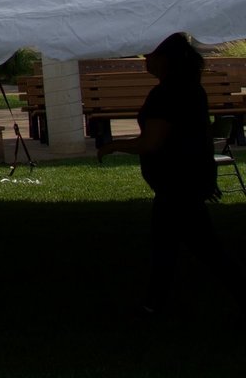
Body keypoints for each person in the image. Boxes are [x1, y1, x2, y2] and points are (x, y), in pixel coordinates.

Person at [98, 33, 239, 315]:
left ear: (165, 59)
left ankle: (155, 304)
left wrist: (114, 146)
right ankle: (154, 303)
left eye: (150, 54)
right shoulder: (192, 89)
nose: (145, 59)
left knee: (196, 248)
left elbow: (152, 142)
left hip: (176, 184)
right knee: (176, 246)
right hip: (187, 180)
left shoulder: (166, 94)